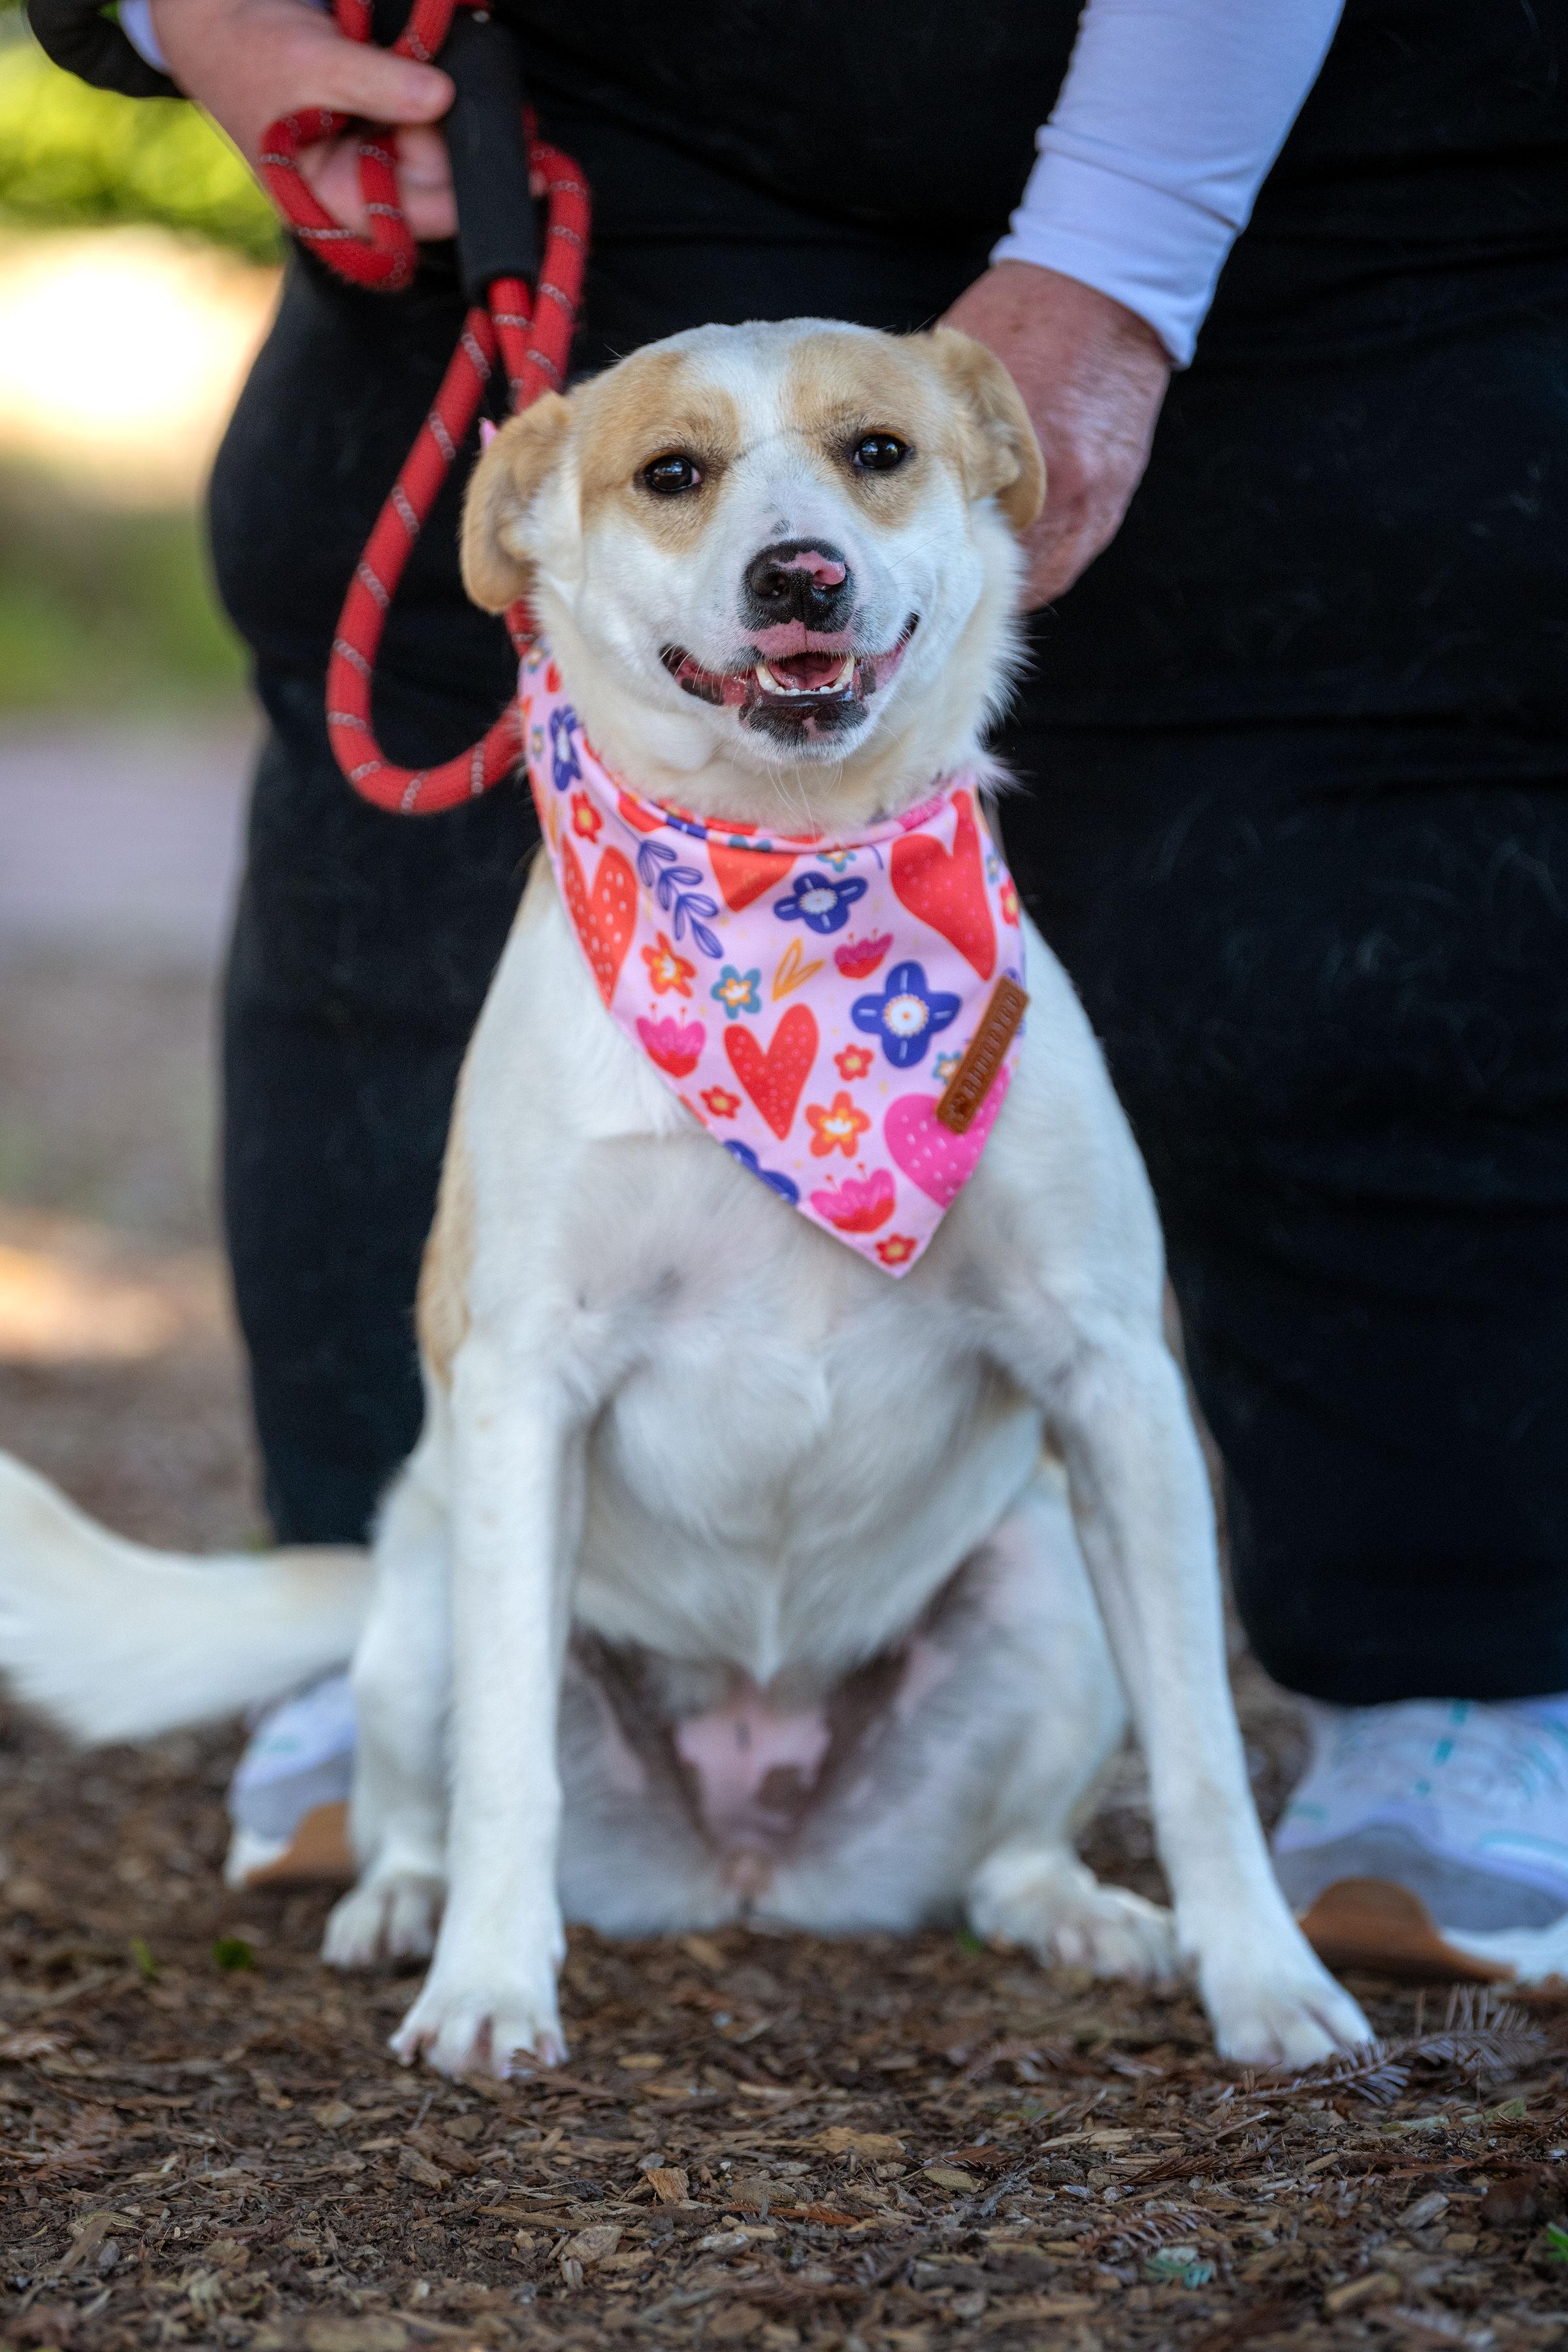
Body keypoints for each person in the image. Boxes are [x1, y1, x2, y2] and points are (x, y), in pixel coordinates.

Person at [29, 0, 1568, 1980]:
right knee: (401, 895)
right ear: (549, 530)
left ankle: (1458, 1681)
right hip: (575, 105)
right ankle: (421, 1702)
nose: (797, 553)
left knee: (1368, 774)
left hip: (1321, 157)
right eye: (679, 484)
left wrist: (1124, 251)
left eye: (865, 466)